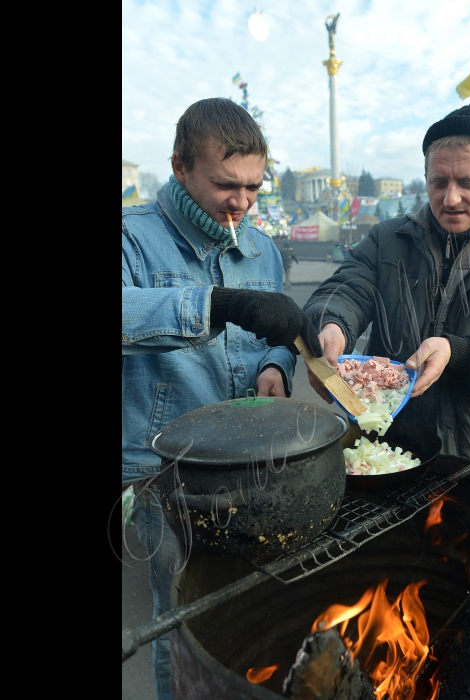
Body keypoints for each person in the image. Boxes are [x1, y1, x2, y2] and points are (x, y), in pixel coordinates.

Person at [122, 97, 322, 700]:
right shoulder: (135, 237)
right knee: (181, 625)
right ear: (181, 167)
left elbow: (275, 339)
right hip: (168, 470)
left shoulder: (260, 247)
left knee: (249, 605)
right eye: (225, 186)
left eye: (254, 189)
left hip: (252, 461)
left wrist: (275, 366)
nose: (241, 203)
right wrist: (215, 304)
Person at [303, 103, 470, 476]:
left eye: (467, 183)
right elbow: (345, 289)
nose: (450, 199)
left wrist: (460, 353)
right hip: (391, 449)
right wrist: (330, 325)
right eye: (439, 182)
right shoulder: (386, 240)